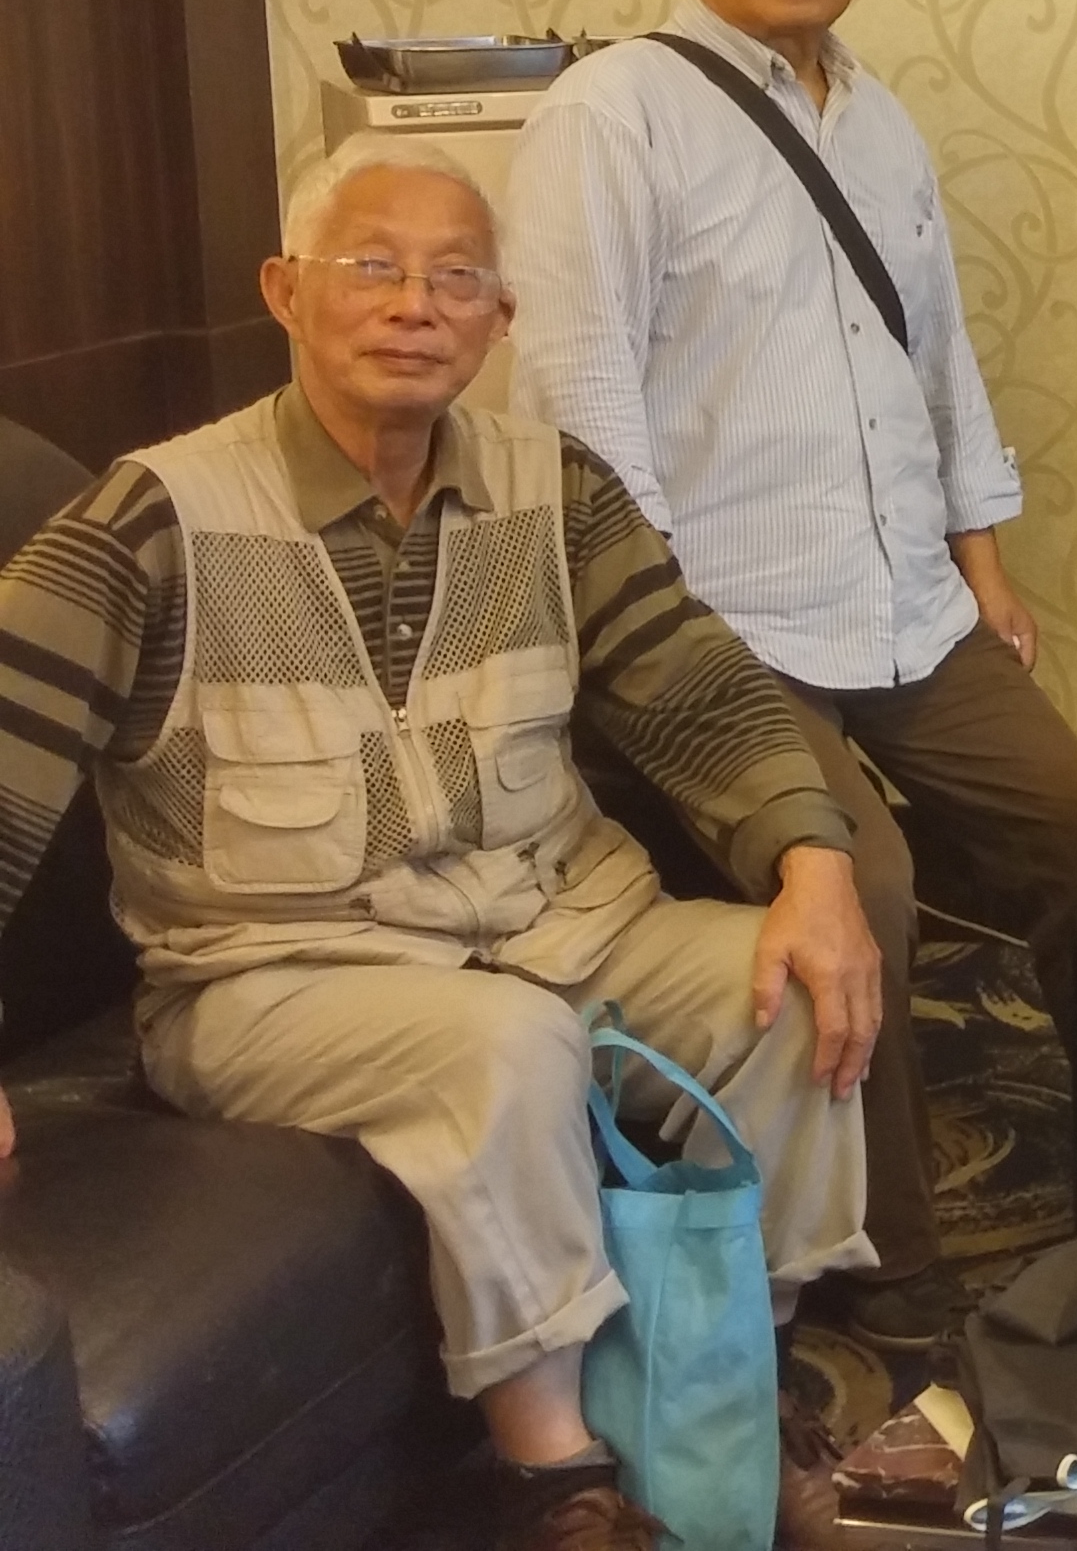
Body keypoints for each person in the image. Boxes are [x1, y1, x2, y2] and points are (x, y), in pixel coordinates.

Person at [0, 138, 877, 1551]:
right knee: (506, 1048)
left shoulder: (555, 488)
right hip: (275, 976)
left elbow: (696, 686)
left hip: (560, 923)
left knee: (781, 992)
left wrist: (815, 866)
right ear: (285, 292)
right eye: (373, 266)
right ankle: (559, 1483)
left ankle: (727, 1394)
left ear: (500, 319)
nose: (415, 303)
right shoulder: (154, 518)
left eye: (457, 276)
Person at [503, 0, 1077, 1347]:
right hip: (721, 624)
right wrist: (647, 637)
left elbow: (938, 357)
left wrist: (984, 561)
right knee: (870, 888)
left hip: (907, 596)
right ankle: (888, 1263)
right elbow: (580, 398)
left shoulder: (879, 118)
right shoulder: (611, 114)